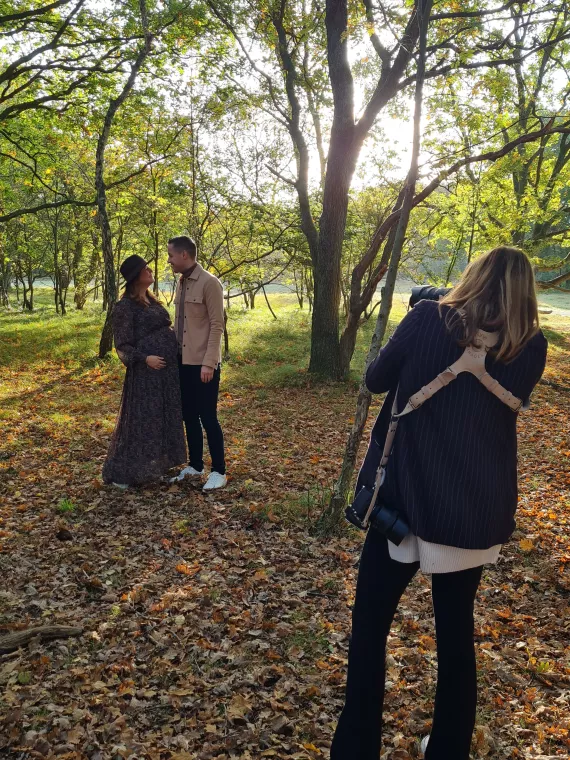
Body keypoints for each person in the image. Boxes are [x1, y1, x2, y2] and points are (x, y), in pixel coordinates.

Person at [331, 246, 548, 760]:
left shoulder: (428, 319)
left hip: (403, 503)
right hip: (474, 510)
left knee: (370, 626)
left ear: (473, 275)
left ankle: (356, 746)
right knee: (455, 637)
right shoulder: (531, 347)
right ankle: (448, 749)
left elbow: (375, 379)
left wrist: (420, 313)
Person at [102, 255, 186, 488]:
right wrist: (145, 358)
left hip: (167, 373)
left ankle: (154, 467)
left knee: (160, 418)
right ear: (136, 276)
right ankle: (125, 473)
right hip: (146, 375)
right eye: (145, 269)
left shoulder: (153, 301)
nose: (150, 271)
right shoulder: (124, 307)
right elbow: (122, 345)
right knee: (143, 421)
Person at [167, 236, 227, 491]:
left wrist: (209, 363)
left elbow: (217, 325)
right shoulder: (181, 282)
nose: (168, 260)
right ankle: (196, 465)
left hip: (203, 364)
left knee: (208, 417)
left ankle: (219, 471)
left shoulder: (209, 283)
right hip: (183, 362)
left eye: (170, 255)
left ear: (184, 255)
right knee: (189, 416)